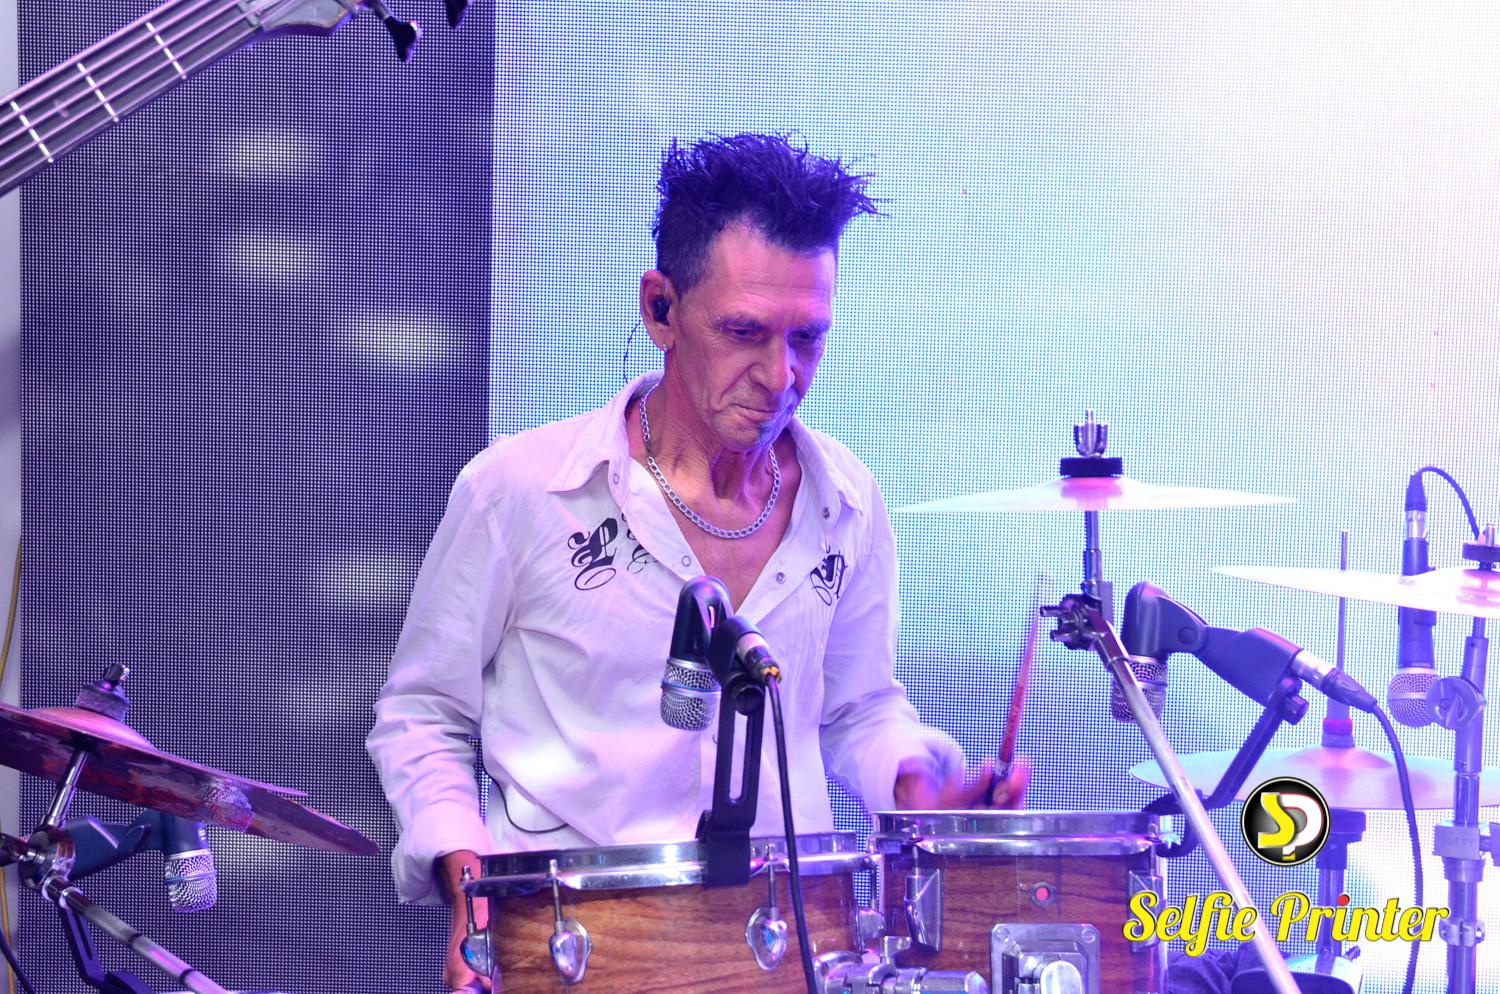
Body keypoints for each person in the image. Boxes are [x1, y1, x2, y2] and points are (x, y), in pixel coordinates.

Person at [366, 132, 1029, 992]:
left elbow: (857, 708)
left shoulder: (848, 500)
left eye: (808, 339)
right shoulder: (520, 490)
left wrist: (910, 782)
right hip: (575, 947)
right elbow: (422, 714)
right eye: (744, 332)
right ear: (660, 309)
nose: (779, 376)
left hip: (792, 945)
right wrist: (470, 883)